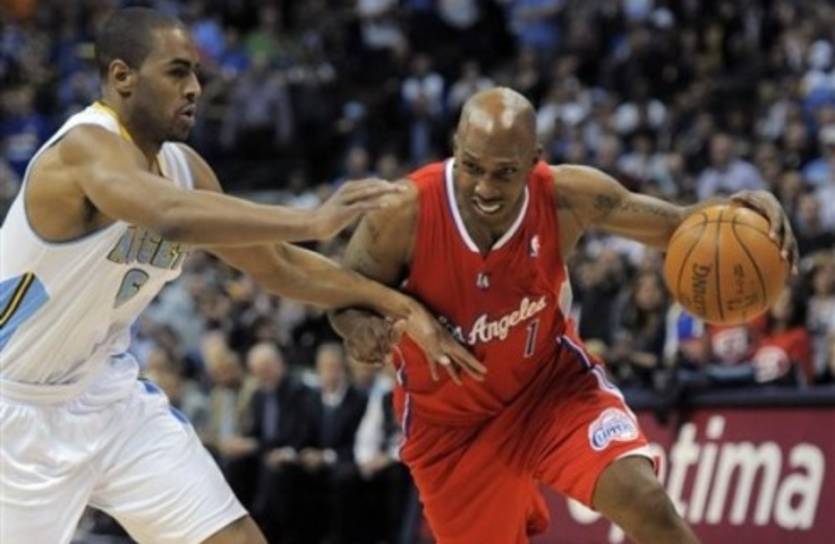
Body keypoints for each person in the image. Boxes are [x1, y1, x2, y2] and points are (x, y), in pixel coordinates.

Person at [0, 8, 482, 544]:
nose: (194, 88)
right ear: (122, 76)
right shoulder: (82, 148)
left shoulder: (185, 169)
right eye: (177, 72)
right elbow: (168, 215)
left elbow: (278, 265)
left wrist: (400, 306)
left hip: (107, 395)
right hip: (15, 411)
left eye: (196, 73)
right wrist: (312, 220)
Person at [329, 87, 797, 544]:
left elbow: (680, 224)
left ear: (534, 159)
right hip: (451, 427)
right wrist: (360, 327)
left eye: (505, 172)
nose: (485, 187)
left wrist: (748, 213)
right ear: (456, 147)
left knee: (646, 503)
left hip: (550, 389)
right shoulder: (403, 211)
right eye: (472, 167)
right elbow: (342, 293)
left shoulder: (565, 196)